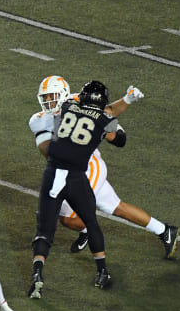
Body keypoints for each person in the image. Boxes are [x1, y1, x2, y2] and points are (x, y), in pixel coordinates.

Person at [30, 76, 179, 259]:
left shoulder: (80, 102)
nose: (48, 102)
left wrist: (113, 130)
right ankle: (165, 231)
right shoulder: (38, 120)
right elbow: (48, 153)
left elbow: (108, 118)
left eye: (52, 96)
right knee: (115, 206)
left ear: (63, 93)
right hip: (70, 168)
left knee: (68, 218)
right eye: (44, 98)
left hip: (88, 166)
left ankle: (87, 229)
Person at [29, 80, 128, 298]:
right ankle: (102, 271)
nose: (49, 102)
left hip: (53, 174)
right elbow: (119, 137)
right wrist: (125, 105)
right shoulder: (98, 116)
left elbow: (48, 150)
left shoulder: (63, 109)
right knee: (91, 222)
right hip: (75, 176)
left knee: (44, 231)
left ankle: (37, 274)